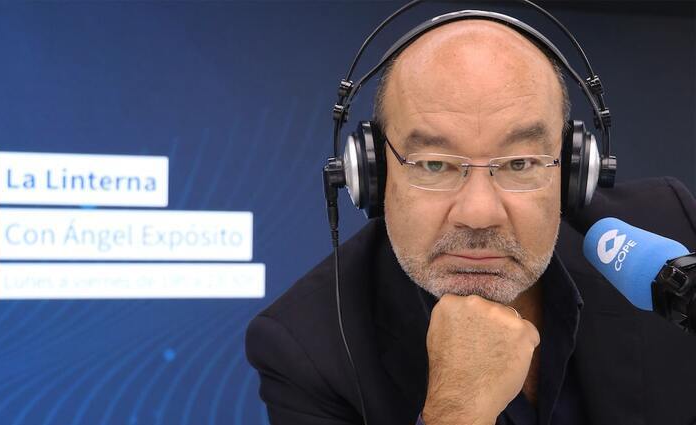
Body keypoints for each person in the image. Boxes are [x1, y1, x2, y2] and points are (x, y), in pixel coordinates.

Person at [245, 10, 696, 425]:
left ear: (573, 172)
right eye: (434, 165)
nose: (479, 214)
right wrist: (456, 411)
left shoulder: (669, 238)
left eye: (519, 163)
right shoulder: (305, 350)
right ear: (374, 175)